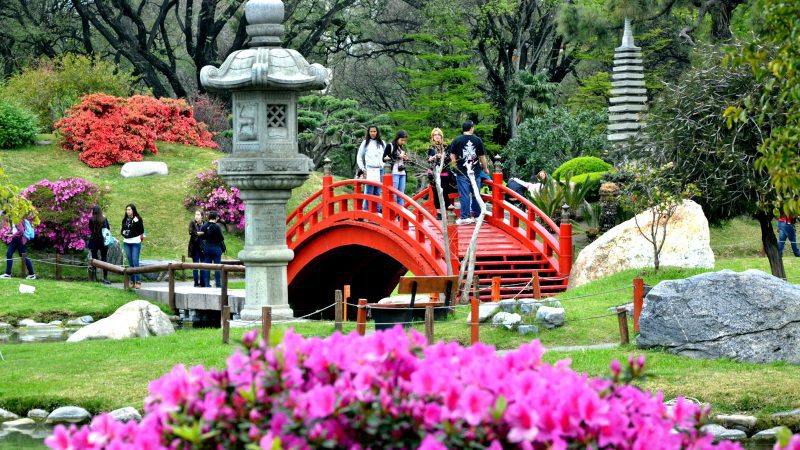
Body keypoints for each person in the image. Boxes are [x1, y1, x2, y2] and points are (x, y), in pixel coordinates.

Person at [449, 120, 489, 225]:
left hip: (462, 172)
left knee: (464, 194)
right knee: (476, 193)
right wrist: (485, 169)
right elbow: (482, 157)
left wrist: (455, 166)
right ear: (471, 128)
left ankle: (465, 217)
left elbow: (452, 155)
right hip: (475, 171)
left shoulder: (457, 140)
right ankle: (477, 216)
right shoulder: (477, 140)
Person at [427, 128, 457, 219]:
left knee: (444, 191)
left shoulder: (446, 146)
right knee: (436, 192)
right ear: (432, 137)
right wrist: (434, 157)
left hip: (444, 172)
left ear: (441, 136)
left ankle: (447, 211)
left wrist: (443, 156)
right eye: (435, 135)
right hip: (433, 173)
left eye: (438, 135)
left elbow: (450, 159)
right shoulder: (430, 147)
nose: (437, 136)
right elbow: (428, 160)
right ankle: (439, 212)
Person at [356, 125, 386, 212]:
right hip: (370, 169)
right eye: (371, 131)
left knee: (377, 191)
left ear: (377, 132)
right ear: (368, 132)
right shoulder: (365, 143)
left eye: (374, 131)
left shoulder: (382, 143)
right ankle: (366, 211)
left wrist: (383, 165)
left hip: (380, 169)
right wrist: (363, 168)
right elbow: (359, 157)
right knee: (369, 191)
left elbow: (386, 156)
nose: (373, 133)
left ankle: (377, 211)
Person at [121, 203, 145, 289]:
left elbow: (141, 230)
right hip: (127, 242)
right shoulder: (125, 219)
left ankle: (138, 281)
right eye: (127, 210)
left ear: (133, 210)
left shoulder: (138, 219)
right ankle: (131, 280)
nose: (128, 211)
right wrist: (125, 233)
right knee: (130, 262)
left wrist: (136, 222)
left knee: (135, 261)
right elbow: (122, 230)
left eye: (129, 209)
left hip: (135, 242)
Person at [384, 130, 410, 207]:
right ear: (397, 138)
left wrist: (406, 158)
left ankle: (400, 217)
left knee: (401, 195)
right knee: (394, 194)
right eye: (402, 140)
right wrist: (399, 157)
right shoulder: (390, 146)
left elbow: (404, 160)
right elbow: (384, 158)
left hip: (402, 173)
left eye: (404, 140)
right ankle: (393, 214)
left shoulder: (402, 147)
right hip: (394, 172)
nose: (403, 142)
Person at [88, 205, 111, 284]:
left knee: (94, 259)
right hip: (103, 241)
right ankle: (105, 278)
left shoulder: (91, 219)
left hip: (94, 240)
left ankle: (94, 277)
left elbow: (90, 228)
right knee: (104, 259)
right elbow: (108, 229)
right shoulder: (104, 219)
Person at [201, 211, 225, 288]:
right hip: (216, 248)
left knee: (207, 266)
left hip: (207, 248)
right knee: (217, 267)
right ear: (215, 218)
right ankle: (218, 284)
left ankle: (207, 284)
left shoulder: (204, 226)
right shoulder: (217, 227)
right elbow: (221, 238)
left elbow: (202, 237)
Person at [188, 210, 206, 287]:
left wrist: (199, 233)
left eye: (198, 214)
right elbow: (191, 232)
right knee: (195, 266)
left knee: (203, 265)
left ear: (202, 216)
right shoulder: (192, 223)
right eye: (195, 214)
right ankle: (195, 283)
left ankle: (202, 283)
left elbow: (207, 233)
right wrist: (200, 233)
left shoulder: (205, 224)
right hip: (194, 247)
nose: (196, 216)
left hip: (203, 247)